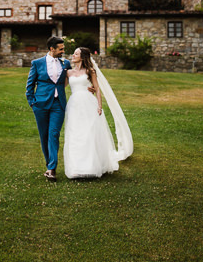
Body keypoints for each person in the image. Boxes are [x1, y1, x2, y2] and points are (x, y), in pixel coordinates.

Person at [63, 46, 133, 179]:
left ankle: (91, 166)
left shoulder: (90, 71)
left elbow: (98, 89)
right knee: (75, 133)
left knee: (89, 133)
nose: (73, 55)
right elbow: (61, 87)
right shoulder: (68, 73)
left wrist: (99, 106)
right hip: (74, 105)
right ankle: (76, 168)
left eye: (76, 54)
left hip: (88, 103)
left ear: (82, 57)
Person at [25, 36, 72, 182]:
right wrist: (32, 102)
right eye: (61, 49)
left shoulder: (66, 63)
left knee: (54, 134)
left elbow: (75, 77)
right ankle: (49, 164)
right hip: (40, 104)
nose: (63, 51)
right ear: (52, 49)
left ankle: (52, 168)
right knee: (44, 135)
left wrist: (88, 87)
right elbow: (30, 85)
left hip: (58, 104)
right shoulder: (37, 63)